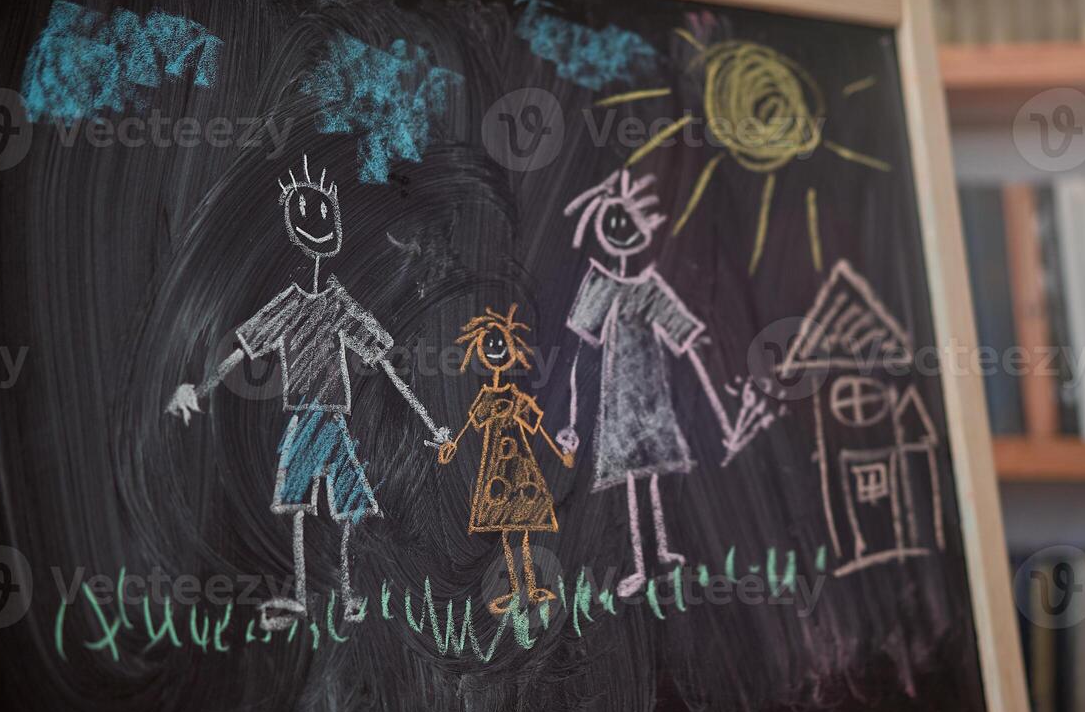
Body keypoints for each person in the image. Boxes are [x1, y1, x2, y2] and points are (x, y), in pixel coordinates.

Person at [166, 156, 450, 630]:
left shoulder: (339, 304)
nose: (319, 220)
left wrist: (427, 421)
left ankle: (347, 589)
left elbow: (384, 361)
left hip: (331, 420)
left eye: (325, 211)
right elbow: (242, 349)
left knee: (347, 503)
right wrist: (201, 386)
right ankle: (303, 593)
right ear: (295, 229)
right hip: (307, 417)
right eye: (308, 211)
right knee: (298, 503)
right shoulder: (290, 306)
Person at [559, 170, 770, 597]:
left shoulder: (652, 288)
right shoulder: (602, 284)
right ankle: (640, 562)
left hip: (653, 398)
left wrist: (723, 409)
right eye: (615, 222)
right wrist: (572, 419)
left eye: (631, 222)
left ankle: (663, 551)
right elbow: (580, 350)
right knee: (635, 478)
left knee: (653, 472)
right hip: (618, 400)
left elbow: (688, 343)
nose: (623, 231)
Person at [438, 305, 574, 614]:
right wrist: (450, 448)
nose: (496, 350)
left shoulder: (515, 396)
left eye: (500, 344)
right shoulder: (487, 396)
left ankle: (531, 586)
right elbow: (465, 430)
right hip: (496, 472)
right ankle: (515, 587)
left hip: (519, 470)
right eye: (490, 344)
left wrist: (561, 454)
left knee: (522, 530)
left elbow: (538, 427)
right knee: (505, 532)